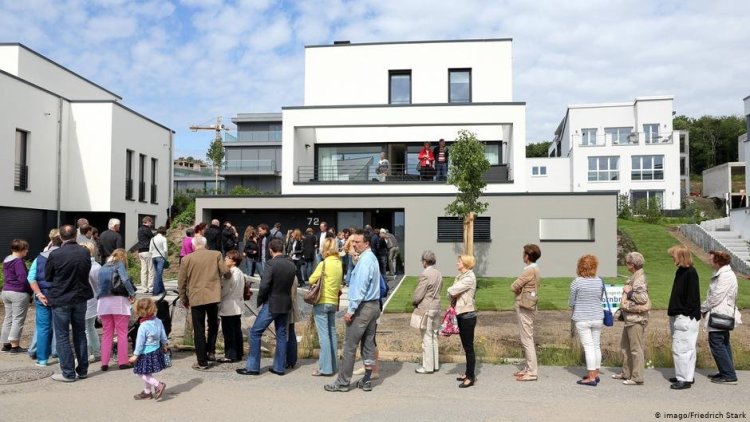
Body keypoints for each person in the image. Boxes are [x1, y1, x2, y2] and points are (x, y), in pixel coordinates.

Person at [324, 230, 381, 392]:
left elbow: (360, 288)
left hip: (363, 307)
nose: (354, 244)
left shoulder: (365, 261)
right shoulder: (370, 258)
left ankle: (342, 382)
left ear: (367, 243)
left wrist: (351, 310)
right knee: (368, 344)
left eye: (357, 242)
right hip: (374, 305)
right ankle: (367, 380)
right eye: (353, 241)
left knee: (349, 346)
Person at [237, 238, 295, 376]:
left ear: (270, 250)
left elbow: (264, 285)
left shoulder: (270, 264)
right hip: (285, 302)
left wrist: (260, 299)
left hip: (272, 302)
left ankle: (253, 367)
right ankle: (279, 367)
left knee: (255, 332)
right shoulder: (291, 265)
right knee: (281, 334)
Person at [45, 224, 93, 382]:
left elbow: (48, 276)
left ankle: (68, 372)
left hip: (61, 298)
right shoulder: (84, 252)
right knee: (80, 333)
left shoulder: (55, 254)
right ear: (75, 235)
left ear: (60, 236)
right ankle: (83, 369)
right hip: (80, 297)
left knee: (62, 335)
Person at [178, 236, 230, 370]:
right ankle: (211, 351)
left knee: (199, 329)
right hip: (213, 296)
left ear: (194, 246)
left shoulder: (186, 259)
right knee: (213, 324)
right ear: (206, 244)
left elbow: (181, 282)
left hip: (196, 297)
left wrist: (184, 299)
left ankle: (202, 361)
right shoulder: (216, 254)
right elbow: (226, 272)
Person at [613, 252, 651, 386]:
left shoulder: (639, 279)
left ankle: (637, 377)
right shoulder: (636, 276)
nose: (626, 266)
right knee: (625, 346)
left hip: (636, 319)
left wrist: (629, 292)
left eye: (627, 263)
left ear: (632, 265)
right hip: (631, 318)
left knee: (636, 348)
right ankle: (626, 372)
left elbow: (642, 298)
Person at [666, 245, 701, 390]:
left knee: (681, 348)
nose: (672, 257)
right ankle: (687, 375)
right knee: (686, 348)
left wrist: (684, 314)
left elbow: (692, 298)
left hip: (685, 317)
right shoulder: (681, 271)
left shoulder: (690, 273)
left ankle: (684, 379)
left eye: (674, 255)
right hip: (679, 314)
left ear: (681, 256)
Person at [702, 250, 739, 385]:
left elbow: (716, 296)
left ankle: (729, 374)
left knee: (717, 342)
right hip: (722, 311)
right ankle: (726, 371)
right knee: (723, 342)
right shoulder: (724, 273)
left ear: (718, 261)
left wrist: (703, 308)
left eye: (711, 259)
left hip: (720, 312)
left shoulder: (725, 276)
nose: (709, 261)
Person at [97, 248, 137, 371]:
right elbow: (124, 279)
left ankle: (104, 362)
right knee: (122, 333)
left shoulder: (103, 267)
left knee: (106, 333)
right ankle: (122, 362)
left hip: (103, 302)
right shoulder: (119, 264)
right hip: (118, 300)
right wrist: (132, 293)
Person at [26, 230, 62, 366]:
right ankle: (58, 354)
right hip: (59, 296)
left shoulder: (39, 258)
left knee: (42, 328)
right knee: (60, 326)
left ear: (51, 242)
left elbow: (31, 278)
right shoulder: (64, 257)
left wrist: (39, 293)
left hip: (43, 296)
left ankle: (42, 359)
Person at [309, 237, 343, 376]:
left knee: (323, 336)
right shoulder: (339, 264)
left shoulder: (324, 264)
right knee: (332, 333)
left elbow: (311, 279)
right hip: (333, 301)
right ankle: (334, 366)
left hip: (322, 301)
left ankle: (325, 368)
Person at [569, 254, 604, 387]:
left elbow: (571, 301)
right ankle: (596, 374)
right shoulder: (599, 281)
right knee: (596, 345)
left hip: (582, 318)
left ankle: (591, 378)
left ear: (580, 267)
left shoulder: (577, 282)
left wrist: (574, 306)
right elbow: (599, 297)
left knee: (588, 347)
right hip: (597, 317)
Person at [510, 244, 541, 382]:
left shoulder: (529, 270)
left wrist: (518, 290)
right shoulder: (534, 269)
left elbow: (514, 285)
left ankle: (532, 372)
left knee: (527, 339)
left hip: (524, 306)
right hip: (528, 305)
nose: (522, 255)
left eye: (524, 253)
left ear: (527, 256)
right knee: (527, 337)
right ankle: (528, 368)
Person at [128, 298, 168, 401]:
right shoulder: (158, 321)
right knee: (147, 372)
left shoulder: (143, 326)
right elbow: (163, 334)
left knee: (139, 372)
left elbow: (140, 343)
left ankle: (158, 385)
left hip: (145, 352)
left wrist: (135, 355)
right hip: (156, 350)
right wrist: (164, 344)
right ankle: (147, 392)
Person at [447, 254, 477, 388]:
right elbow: (452, 293)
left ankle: (470, 377)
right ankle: (467, 373)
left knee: (469, 347)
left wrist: (452, 291)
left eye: (459, 261)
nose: (456, 263)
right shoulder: (461, 277)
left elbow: (452, 290)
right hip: (461, 314)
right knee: (466, 346)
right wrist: (452, 292)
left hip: (467, 315)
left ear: (465, 263)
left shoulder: (469, 277)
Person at [412, 250, 442, 374]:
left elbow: (419, 293)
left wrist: (414, 301)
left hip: (427, 307)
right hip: (436, 306)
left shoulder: (425, 274)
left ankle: (428, 366)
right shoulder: (438, 273)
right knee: (434, 335)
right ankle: (434, 364)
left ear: (424, 261)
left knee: (426, 337)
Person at [1, 239, 32, 353]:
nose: (27, 251)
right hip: (18, 292)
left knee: (8, 318)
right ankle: (15, 346)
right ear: (21, 250)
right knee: (17, 319)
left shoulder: (6, 259)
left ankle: (6, 344)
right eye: (26, 249)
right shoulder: (18, 261)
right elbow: (24, 279)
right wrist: (30, 292)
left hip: (6, 291)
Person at [220, 250, 247, 363]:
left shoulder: (230, 273)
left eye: (228, 257)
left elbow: (225, 289)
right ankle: (238, 353)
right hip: (238, 304)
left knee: (228, 331)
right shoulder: (240, 272)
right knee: (236, 330)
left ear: (234, 261)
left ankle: (230, 354)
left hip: (229, 304)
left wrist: (218, 296)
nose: (225, 259)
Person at [81, 242, 101, 363]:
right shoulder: (97, 266)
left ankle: (87, 353)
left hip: (85, 300)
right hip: (94, 300)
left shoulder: (84, 266)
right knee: (91, 328)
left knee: (84, 329)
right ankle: (97, 352)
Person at [136, 216, 155, 293]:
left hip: (140, 251)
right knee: (151, 270)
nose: (151, 224)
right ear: (147, 221)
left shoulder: (139, 229)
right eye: (151, 222)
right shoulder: (147, 229)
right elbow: (152, 237)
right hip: (147, 251)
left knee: (143, 270)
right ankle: (150, 287)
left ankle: (144, 288)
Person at [150, 226, 169, 296]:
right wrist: (166, 258)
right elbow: (166, 250)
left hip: (153, 257)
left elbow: (150, 250)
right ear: (164, 232)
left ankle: (162, 290)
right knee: (158, 274)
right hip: (160, 257)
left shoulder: (152, 239)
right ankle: (155, 291)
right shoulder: (163, 238)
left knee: (158, 274)